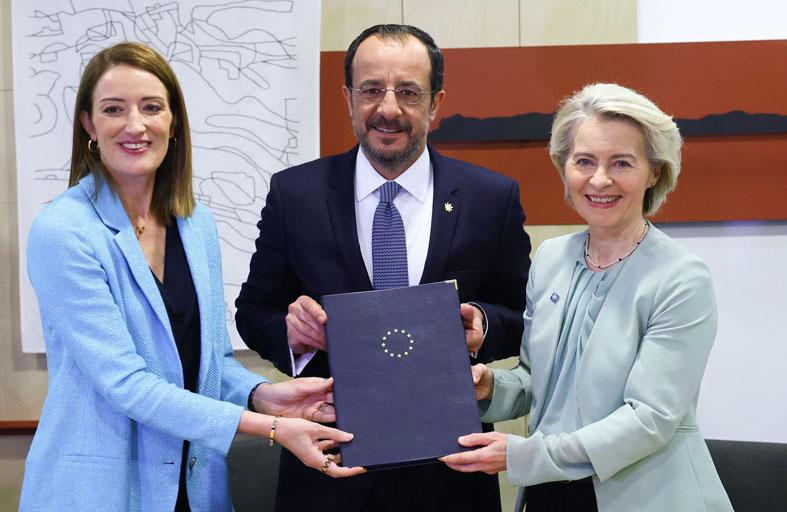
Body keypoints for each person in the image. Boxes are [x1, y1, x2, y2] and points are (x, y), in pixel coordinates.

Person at [19, 42, 363, 512]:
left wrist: (263, 395)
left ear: (174, 121)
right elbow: (127, 384)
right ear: (89, 126)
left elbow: (210, 363)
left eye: (151, 107)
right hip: (100, 492)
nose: (135, 125)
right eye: (113, 109)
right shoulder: (63, 231)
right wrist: (271, 427)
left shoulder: (194, 223)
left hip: (195, 488)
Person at [235, 24, 531, 512]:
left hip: (451, 473)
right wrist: (292, 336)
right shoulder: (296, 194)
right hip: (328, 470)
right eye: (371, 90)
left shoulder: (490, 197)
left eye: (408, 92)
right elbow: (253, 312)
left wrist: (482, 324)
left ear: (436, 104)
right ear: (348, 98)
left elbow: (522, 316)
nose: (388, 109)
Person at [441, 83, 734, 511]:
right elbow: (537, 381)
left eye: (622, 163)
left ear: (654, 172)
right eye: (584, 161)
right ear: (564, 168)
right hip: (548, 492)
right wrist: (490, 388)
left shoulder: (680, 278)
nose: (599, 179)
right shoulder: (550, 258)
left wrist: (525, 455)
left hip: (644, 497)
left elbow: (649, 419)